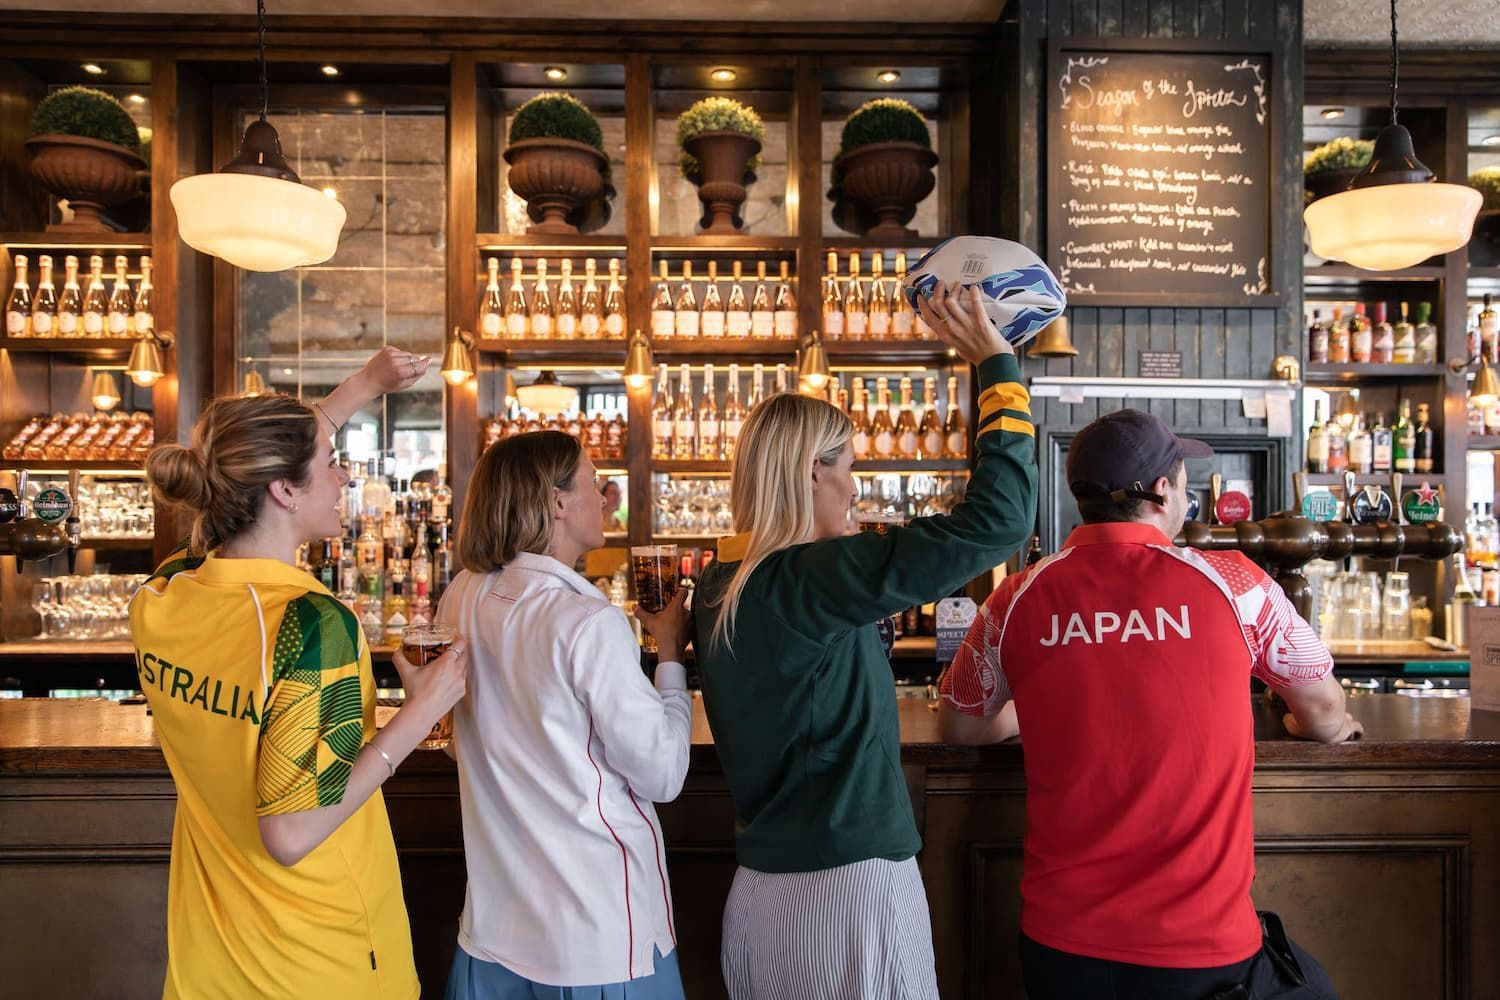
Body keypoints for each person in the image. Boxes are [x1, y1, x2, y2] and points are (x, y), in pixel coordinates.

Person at [692, 278, 1047, 998]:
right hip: (845, 893)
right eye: (850, 467)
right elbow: (1000, 523)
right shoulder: (813, 578)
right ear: (813, 473)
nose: (856, 488)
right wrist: (997, 370)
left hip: (762, 893)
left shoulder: (718, 584)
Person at [940, 407, 1359, 1000]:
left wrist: (1036, 706)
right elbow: (1324, 714)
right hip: (1201, 952)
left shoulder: (1018, 595)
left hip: (1059, 949)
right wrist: (1306, 720)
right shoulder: (1236, 584)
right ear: (1164, 490)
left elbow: (960, 724)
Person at [131, 346, 468, 998]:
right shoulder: (310, 626)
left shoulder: (161, 597)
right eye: (330, 467)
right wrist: (421, 710)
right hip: (317, 958)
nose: (344, 479)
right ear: (283, 489)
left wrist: (363, 384)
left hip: (208, 962)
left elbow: (244, 486)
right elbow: (290, 832)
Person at [437, 430, 692, 999]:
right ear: (557, 502)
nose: (606, 498)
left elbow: (458, 737)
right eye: (594, 483)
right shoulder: (587, 620)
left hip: (492, 929)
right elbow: (664, 774)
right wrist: (670, 657)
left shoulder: (461, 595)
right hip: (595, 940)